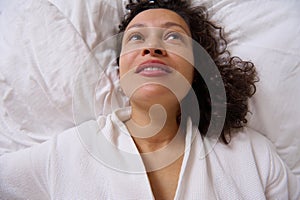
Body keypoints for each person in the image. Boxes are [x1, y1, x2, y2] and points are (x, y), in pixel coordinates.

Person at [0, 0, 299, 199]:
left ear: (197, 69)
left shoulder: (255, 157)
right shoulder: (66, 154)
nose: (152, 48)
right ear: (120, 71)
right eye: (136, 38)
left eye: (173, 37)